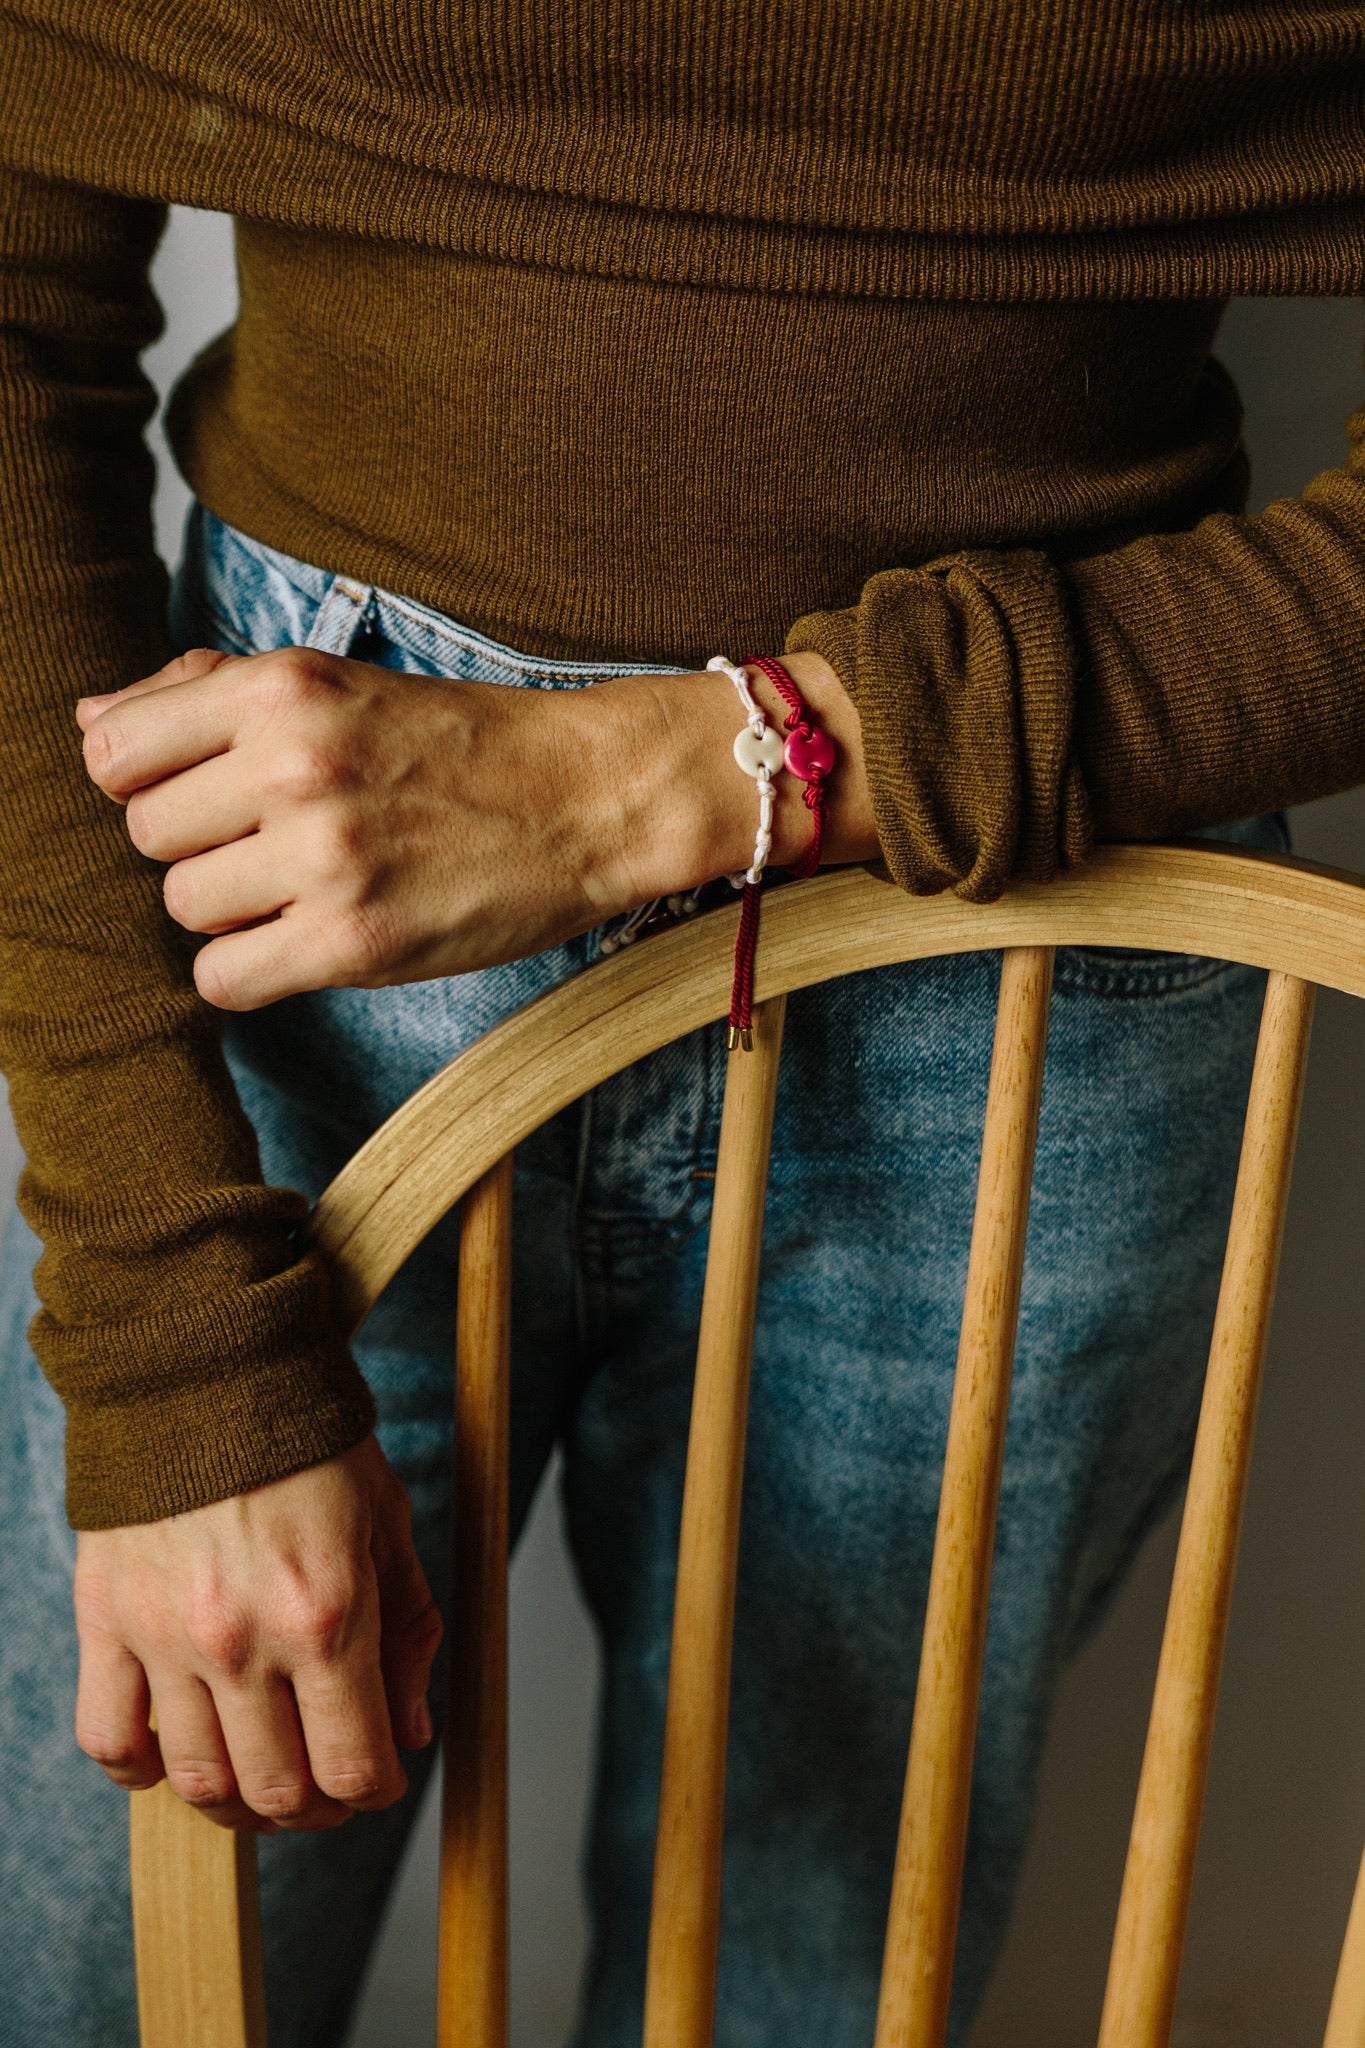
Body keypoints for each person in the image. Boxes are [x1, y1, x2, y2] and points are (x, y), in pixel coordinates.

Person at [1, 4, 1363, 2043]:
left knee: (795, 2000)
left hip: (1026, 905)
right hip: (276, 876)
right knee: (101, 1974)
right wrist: (163, 1307)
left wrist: (712, 768)